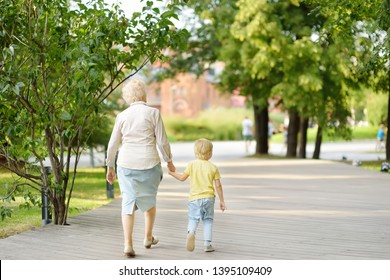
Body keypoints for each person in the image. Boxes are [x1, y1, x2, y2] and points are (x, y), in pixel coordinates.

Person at [106, 78, 176, 258]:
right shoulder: (153, 113)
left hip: (126, 164)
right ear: (144, 94)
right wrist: (169, 161)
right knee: (149, 202)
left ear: (128, 97)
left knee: (127, 203)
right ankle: (147, 237)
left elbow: (113, 144)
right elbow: (162, 141)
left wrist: (110, 166)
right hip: (149, 164)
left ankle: (128, 244)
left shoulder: (122, 116)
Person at [168, 138, 226, 252]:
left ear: (195, 153)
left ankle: (191, 232)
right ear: (210, 153)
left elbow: (182, 178)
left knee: (193, 219)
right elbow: (218, 186)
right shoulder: (213, 167)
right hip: (209, 198)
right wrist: (222, 201)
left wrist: (171, 173)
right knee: (208, 220)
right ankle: (207, 244)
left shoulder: (191, 165)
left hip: (194, 199)